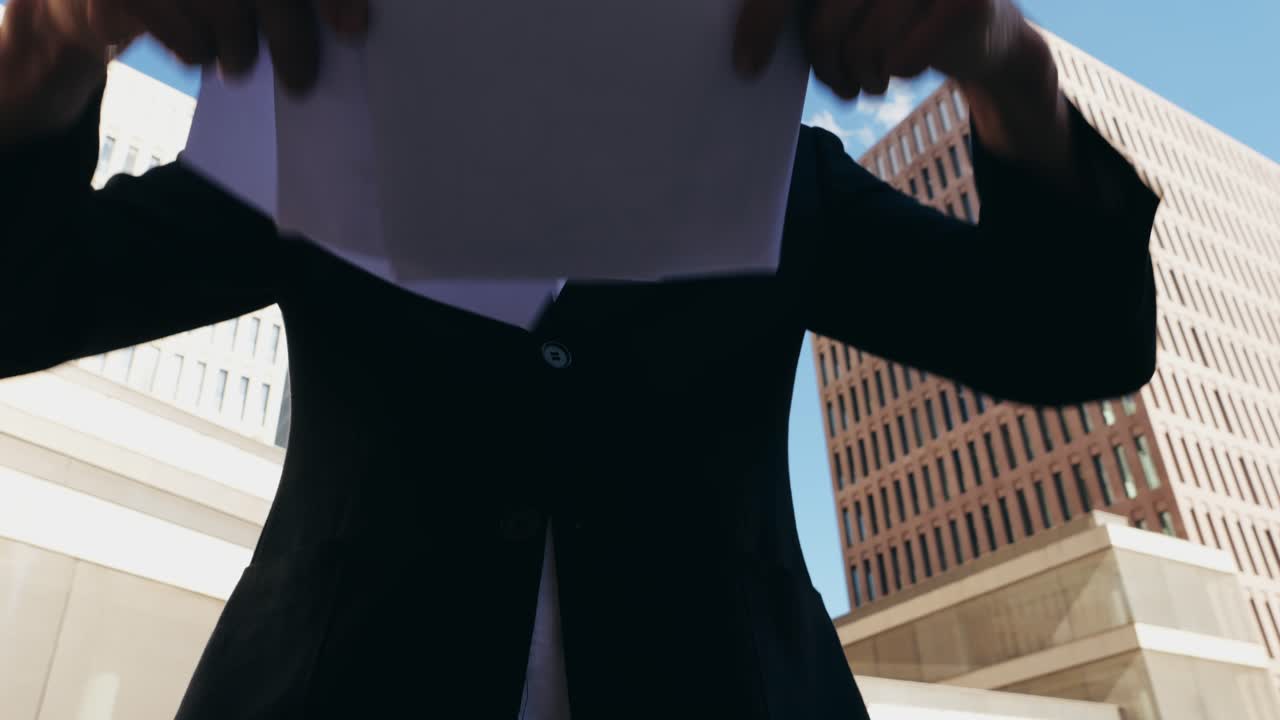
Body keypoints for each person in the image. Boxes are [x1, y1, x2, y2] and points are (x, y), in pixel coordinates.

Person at [0, 0, 1159, 718]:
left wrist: (1005, 67)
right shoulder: (321, 131)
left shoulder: (783, 177)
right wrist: (49, 38)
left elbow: (1074, 336)